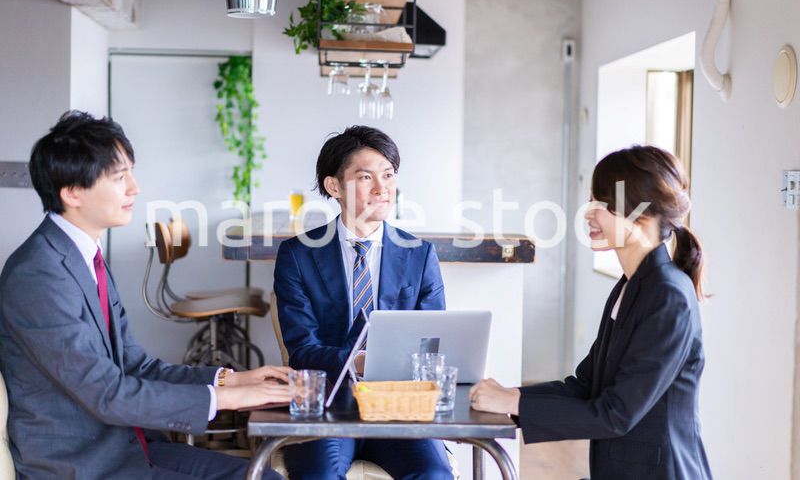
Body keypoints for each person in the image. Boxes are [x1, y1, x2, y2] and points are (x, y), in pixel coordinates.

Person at [0, 111, 291, 479]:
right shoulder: (37, 274)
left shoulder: (85, 257)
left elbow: (137, 366)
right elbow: (107, 393)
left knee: (266, 476)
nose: (135, 188)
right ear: (72, 191)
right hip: (83, 465)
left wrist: (231, 380)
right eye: (119, 177)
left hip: (127, 447)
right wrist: (229, 400)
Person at [470, 145, 712, 480]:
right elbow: (586, 385)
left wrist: (512, 404)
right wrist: (512, 395)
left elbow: (616, 413)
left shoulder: (668, 296)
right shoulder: (631, 287)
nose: (588, 213)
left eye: (602, 204)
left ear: (640, 215)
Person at [273, 125, 452, 479]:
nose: (381, 189)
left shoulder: (419, 254)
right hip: (329, 408)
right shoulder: (297, 255)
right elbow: (302, 349)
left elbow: (433, 342)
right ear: (334, 186)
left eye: (388, 175)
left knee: (433, 474)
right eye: (366, 177)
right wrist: (360, 361)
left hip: (399, 407)